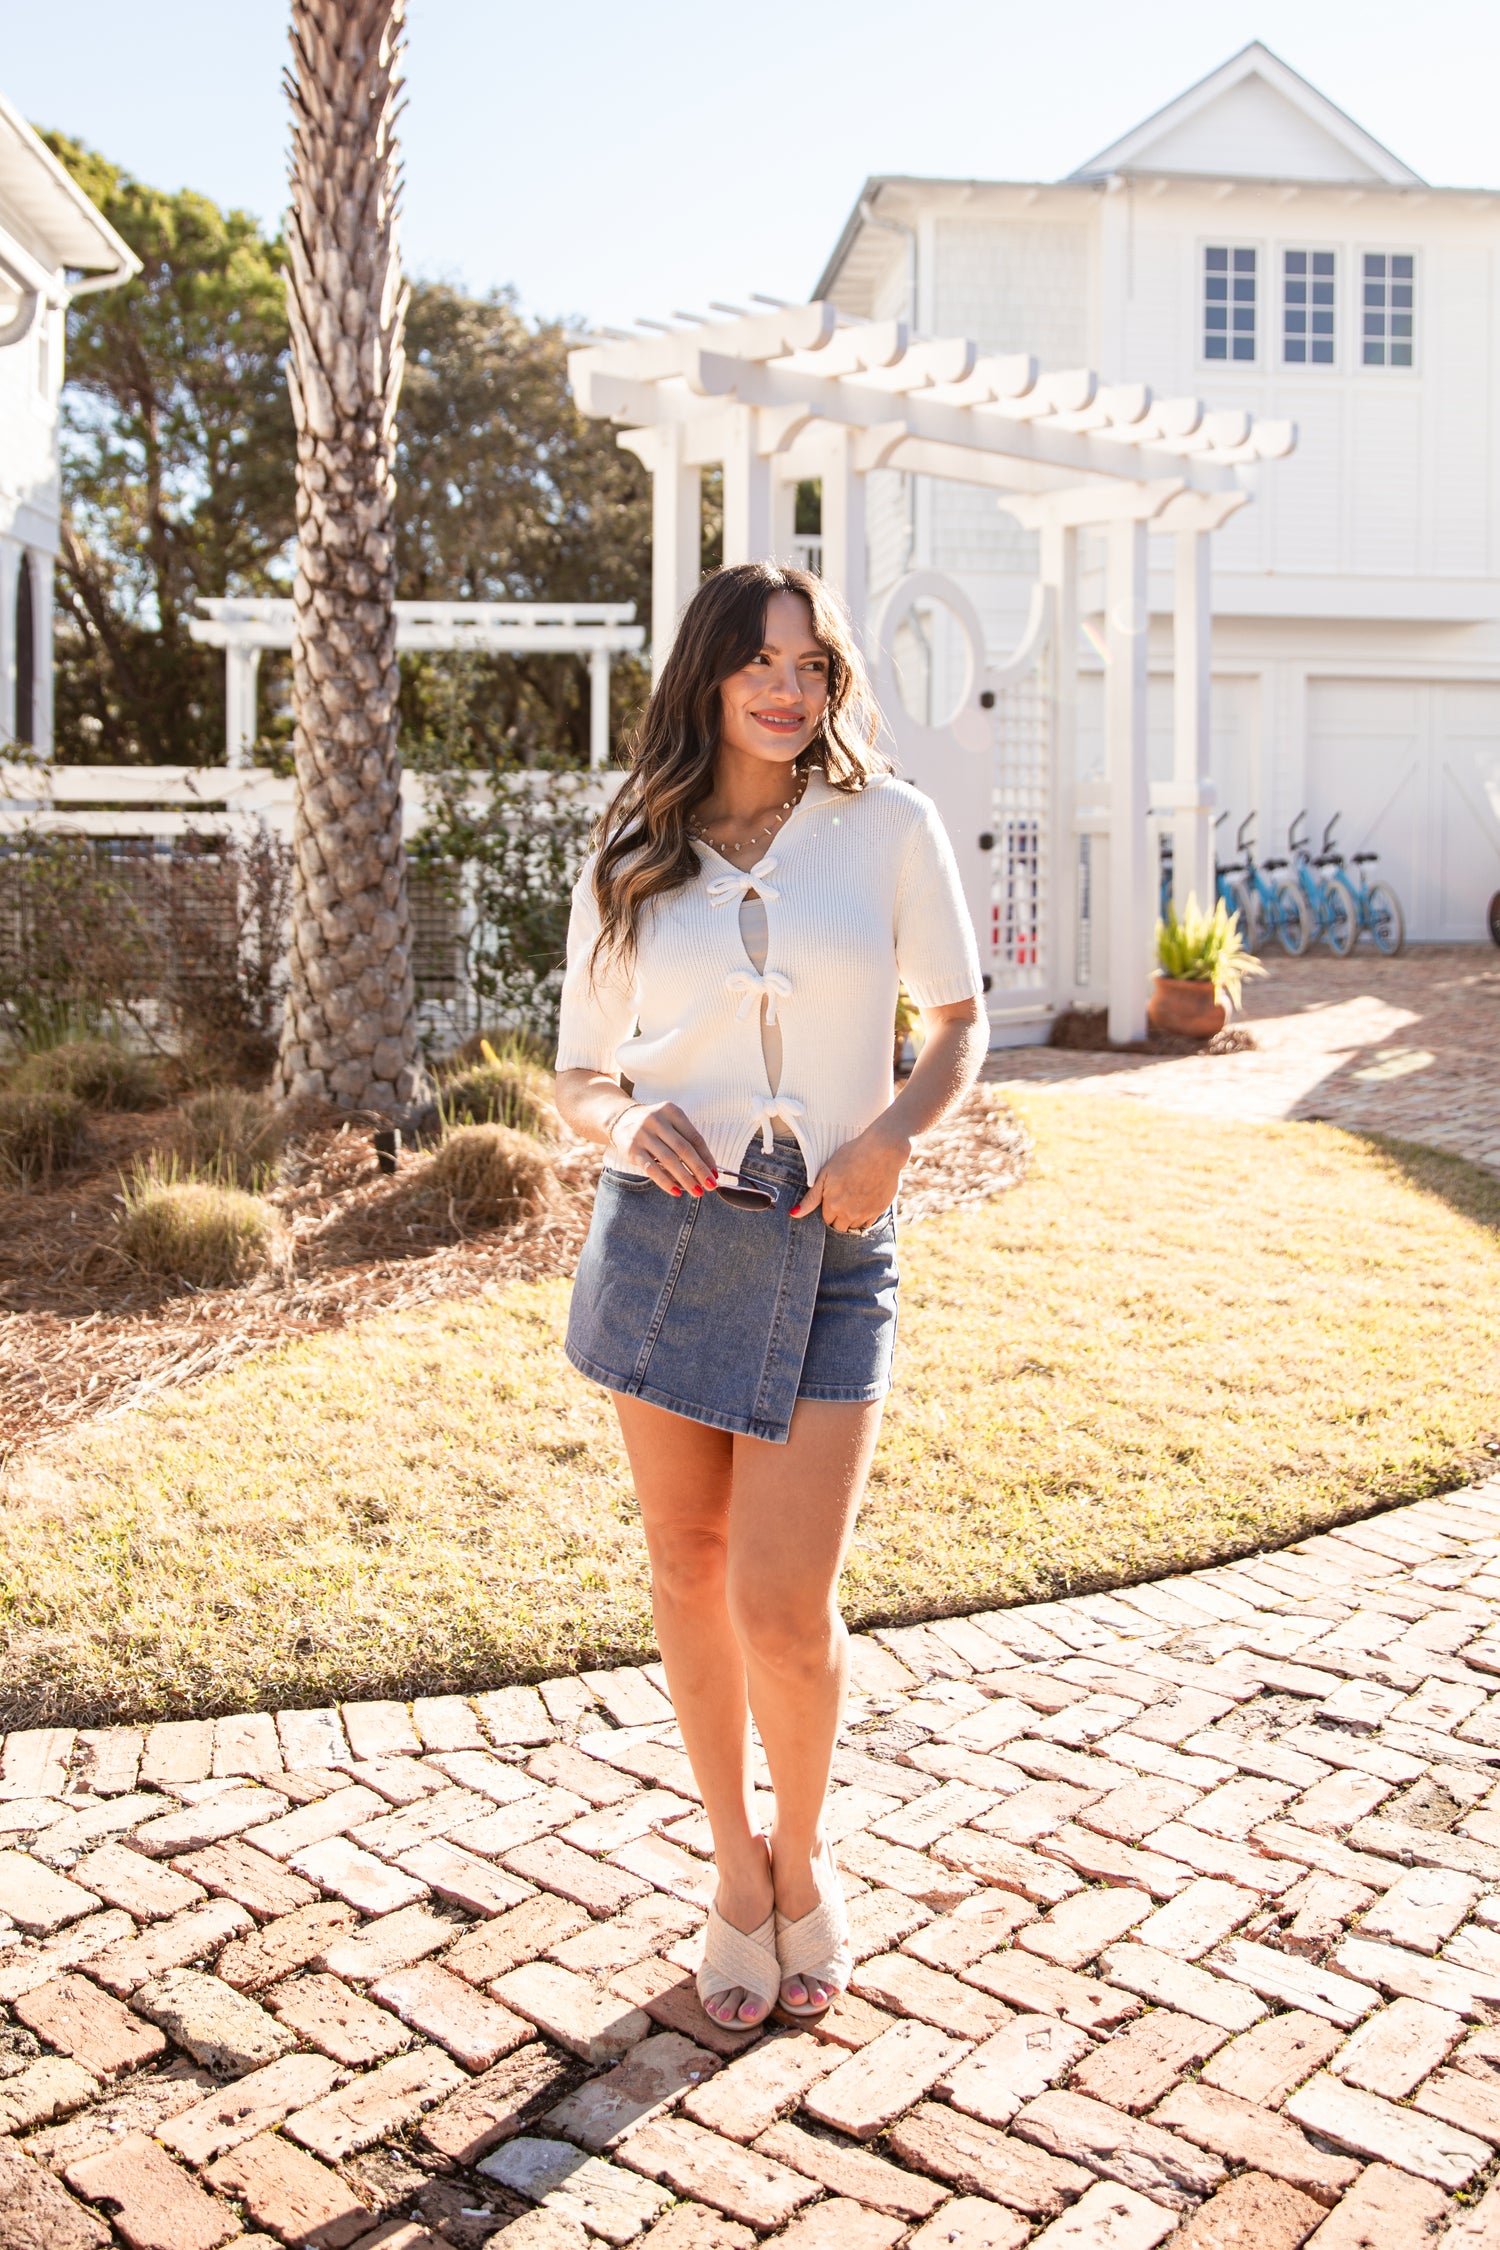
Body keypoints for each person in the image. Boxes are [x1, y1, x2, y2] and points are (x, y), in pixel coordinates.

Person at [553, 561, 988, 2028]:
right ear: (710, 674)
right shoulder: (631, 844)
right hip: (668, 1233)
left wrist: (890, 1137)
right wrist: (624, 1125)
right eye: (759, 662)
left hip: (833, 1234)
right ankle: (734, 1870)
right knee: (686, 1566)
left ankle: (804, 1863)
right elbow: (580, 1072)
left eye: (809, 664)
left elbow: (958, 1018)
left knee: (784, 1603)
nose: (787, 689)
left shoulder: (890, 828)